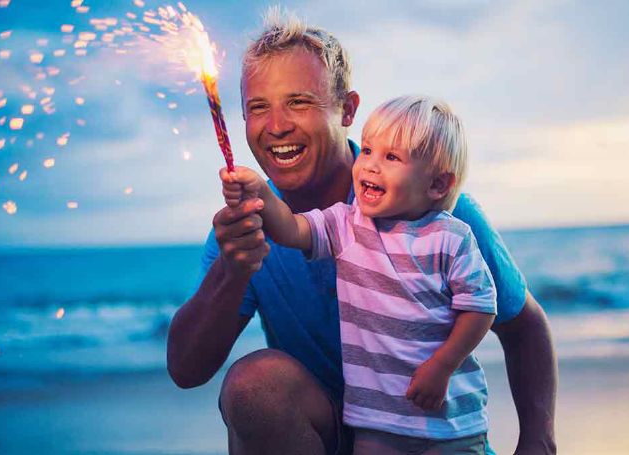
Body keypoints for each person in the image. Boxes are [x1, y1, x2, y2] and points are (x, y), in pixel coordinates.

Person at [166, 9, 557, 455]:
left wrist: (538, 442)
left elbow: (523, 325)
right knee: (256, 387)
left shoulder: (434, 213)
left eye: (299, 102)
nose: (276, 126)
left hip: (433, 437)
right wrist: (232, 272)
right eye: (258, 107)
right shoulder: (247, 227)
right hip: (335, 433)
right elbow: (186, 369)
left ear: (347, 109)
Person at [222, 95, 497, 454]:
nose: (370, 166)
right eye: (367, 150)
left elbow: (480, 307)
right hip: (375, 424)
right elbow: (291, 229)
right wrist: (259, 192)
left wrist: (443, 365)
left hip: (450, 425)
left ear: (438, 185)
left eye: (392, 157)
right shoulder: (346, 223)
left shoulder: (451, 237)